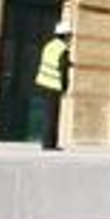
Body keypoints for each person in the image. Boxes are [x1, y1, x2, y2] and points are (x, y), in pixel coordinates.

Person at [34, 14, 73, 151]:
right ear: (66, 35)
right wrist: (65, 86)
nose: (71, 38)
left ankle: (47, 142)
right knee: (52, 116)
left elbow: (50, 61)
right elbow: (62, 69)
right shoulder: (63, 49)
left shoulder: (49, 45)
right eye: (70, 35)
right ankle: (49, 144)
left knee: (47, 114)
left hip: (42, 82)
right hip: (53, 84)